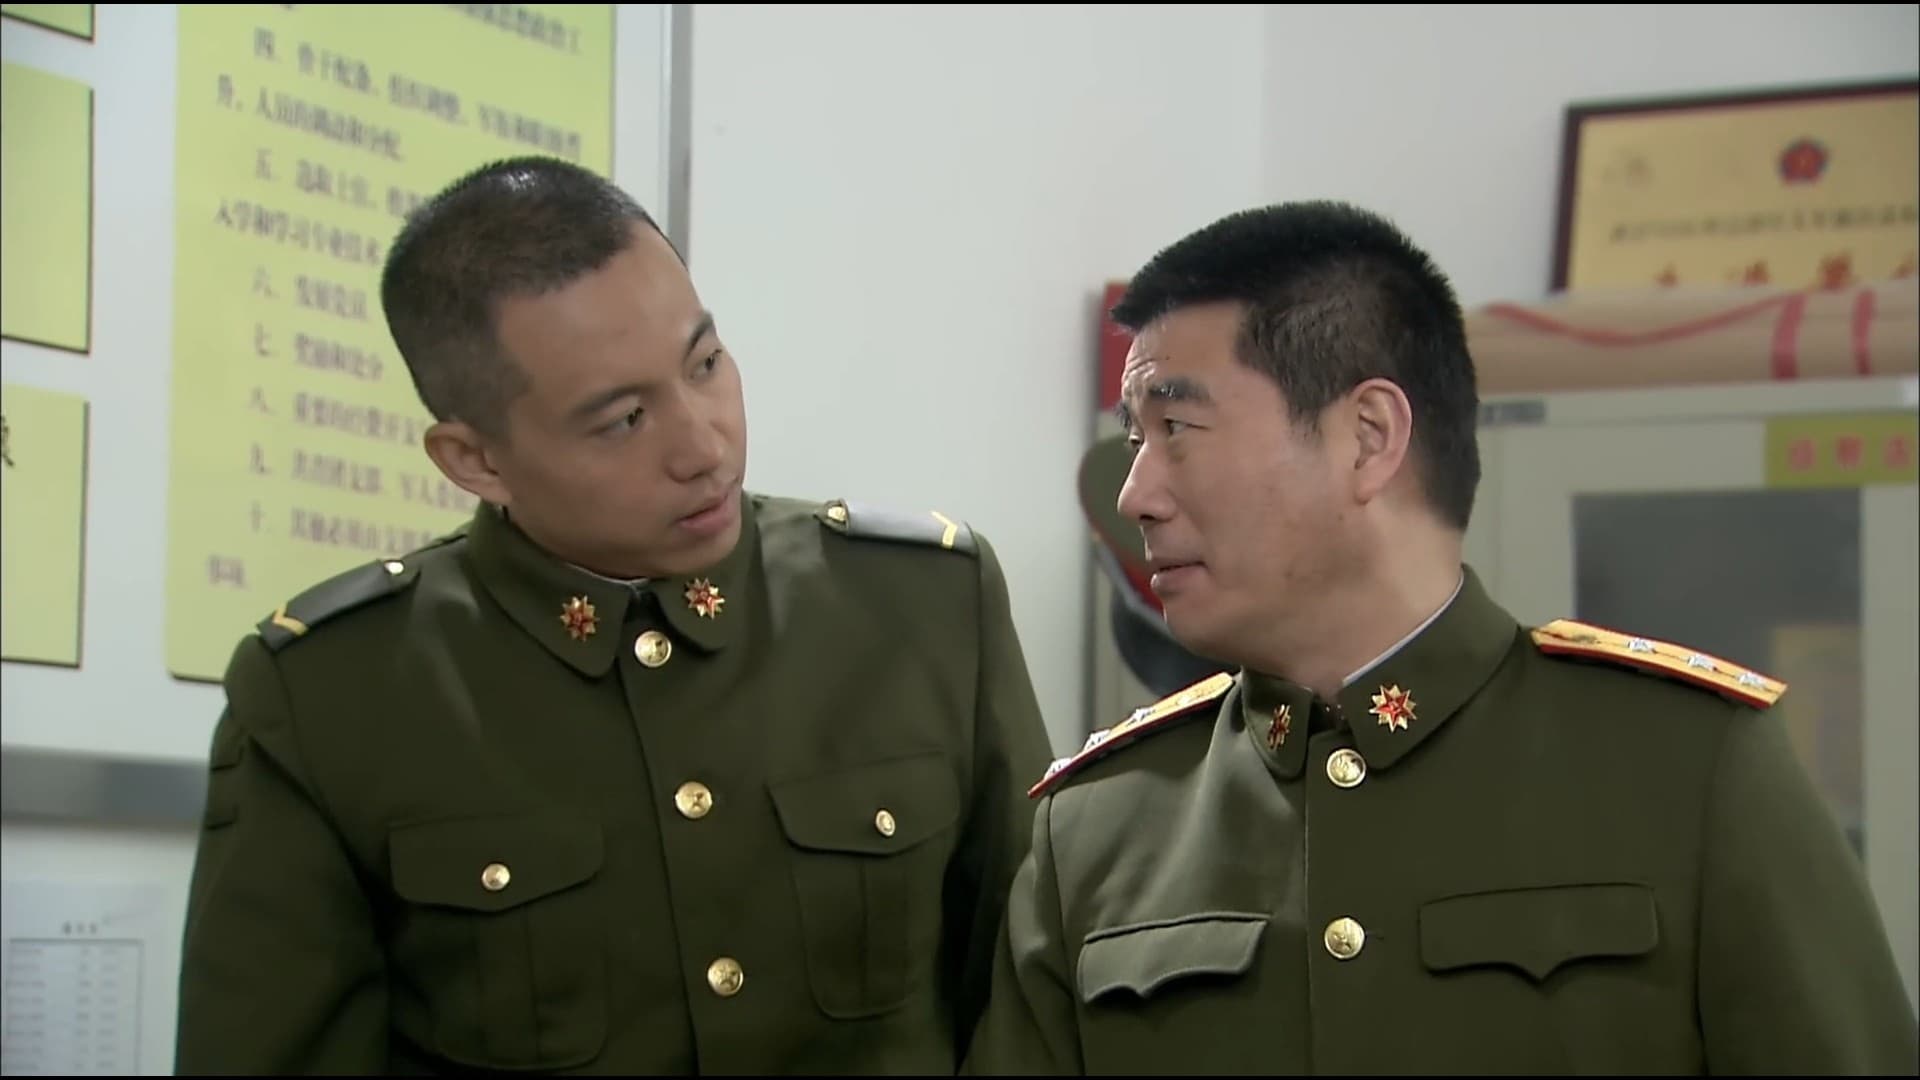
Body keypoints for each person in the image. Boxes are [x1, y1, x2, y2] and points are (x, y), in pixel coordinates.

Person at [962, 201, 1920, 1075]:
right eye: (1136, 438)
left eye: (1177, 426)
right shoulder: (1096, 831)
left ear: (1369, 437)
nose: (1136, 494)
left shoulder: (1692, 768)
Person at [174, 155, 1056, 1075]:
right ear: (475, 460)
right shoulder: (330, 696)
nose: (705, 446)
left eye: (705, 364)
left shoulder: (921, 606)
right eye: (625, 419)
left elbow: (1035, 1010)